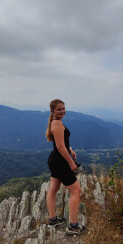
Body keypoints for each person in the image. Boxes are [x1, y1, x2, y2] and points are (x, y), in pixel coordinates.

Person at [45, 99, 85, 235]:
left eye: (63, 108)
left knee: (53, 189)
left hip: (54, 160)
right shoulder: (57, 124)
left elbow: (62, 142)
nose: (62, 111)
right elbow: (60, 147)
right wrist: (72, 164)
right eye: (59, 109)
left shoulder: (55, 122)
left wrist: (70, 148)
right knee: (76, 190)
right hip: (60, 162)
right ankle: (73, 226)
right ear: (52, 111)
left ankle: (53, 219)